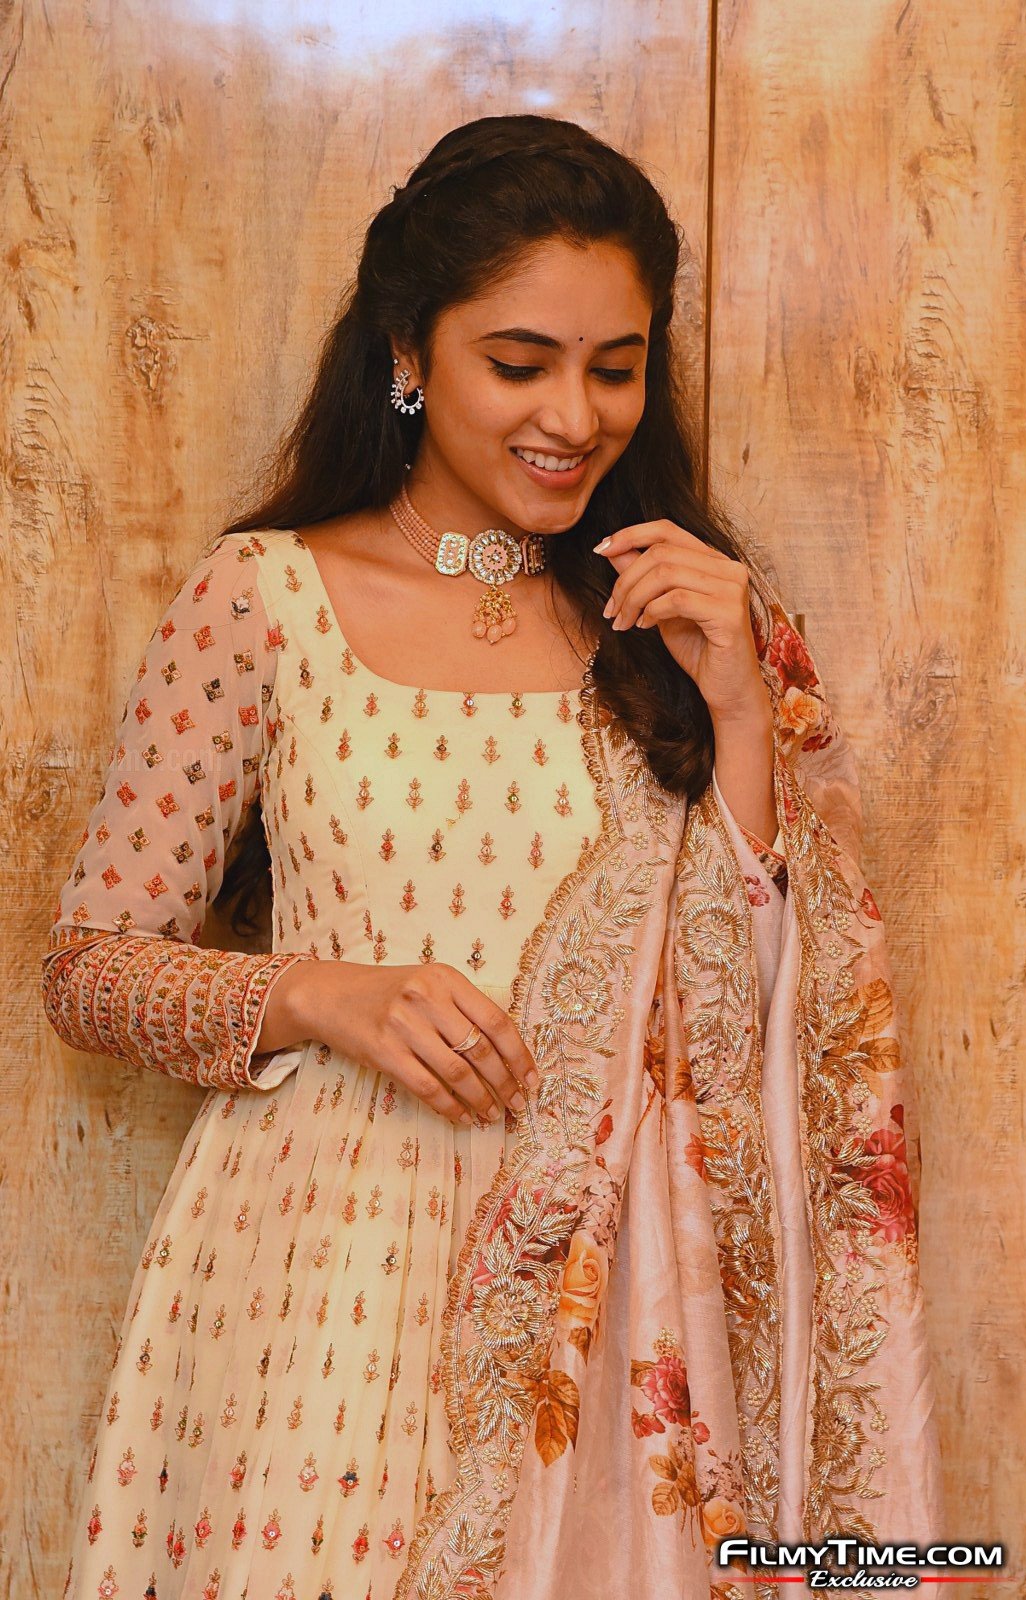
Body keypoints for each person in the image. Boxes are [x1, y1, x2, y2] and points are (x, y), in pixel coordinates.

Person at [43, 114, 944, 1600]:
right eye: (519, 364)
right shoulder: (263, 599)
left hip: (616, 1301)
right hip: (316, 1286)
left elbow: (789, 1031)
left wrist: (741, 708)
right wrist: (321, 994)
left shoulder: (691, 627)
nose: (573, 417)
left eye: (615, 368)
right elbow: (91, 970)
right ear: (410, 351)